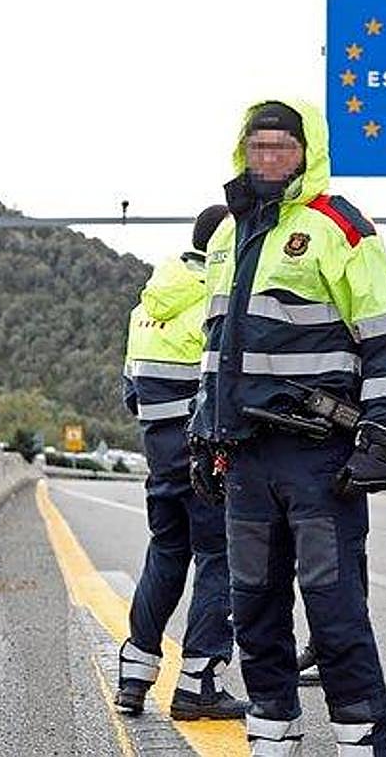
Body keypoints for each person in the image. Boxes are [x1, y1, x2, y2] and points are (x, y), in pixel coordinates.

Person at [188, 99, 386, 756]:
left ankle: (362, 740)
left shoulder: (339, 227)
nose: (269, 159)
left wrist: (380, 434)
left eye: (282, 148)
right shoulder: (229, 233)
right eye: (258, 147)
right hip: (247, 457)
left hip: (320, 457)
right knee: (253, 608)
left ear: (306, 153)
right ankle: (273, 733)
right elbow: (215, 346)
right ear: (242, 151)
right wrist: (205, 431)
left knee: (333, 611)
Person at [116, 204, 248, 720]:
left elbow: (131, 393)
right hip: (208, 455)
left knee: (165, 555)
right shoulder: (221, 300)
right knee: (220, 559)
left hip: (160, 457)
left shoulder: (146, 307)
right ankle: (199, 683)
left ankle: (134, 676)